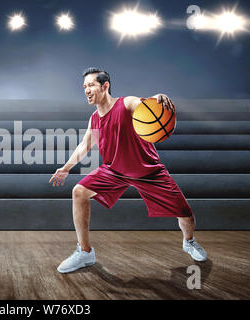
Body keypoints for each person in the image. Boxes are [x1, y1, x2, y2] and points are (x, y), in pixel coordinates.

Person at [49, 68, 207, 274]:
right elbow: (84, 146)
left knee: (186, 216)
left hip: (149, 171)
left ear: (105, 86)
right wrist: (66, 168)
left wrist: (157, 98)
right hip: (114, 170)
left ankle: (189, 241)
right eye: (84, 87)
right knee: (78, 192)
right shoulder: (94, 119)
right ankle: (85, 252)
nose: (87, 90)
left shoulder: (125, 103)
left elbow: (145, 105)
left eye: (91, 85)